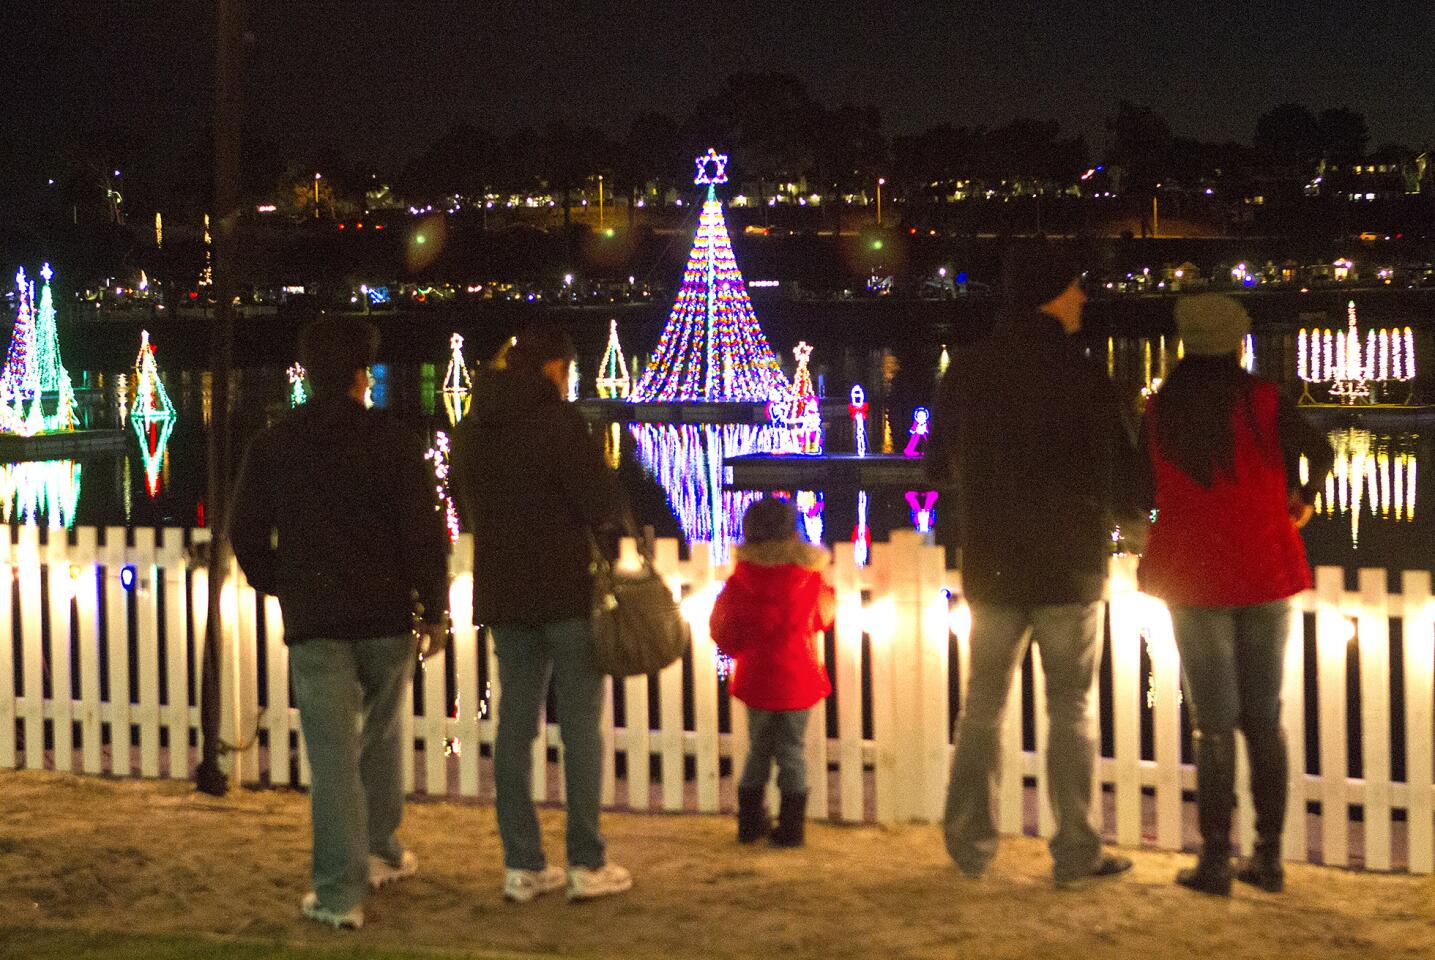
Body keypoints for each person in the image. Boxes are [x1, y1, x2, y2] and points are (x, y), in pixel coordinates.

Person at [925, 240, 1136, 887]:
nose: (1082, 298)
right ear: (1050, 292)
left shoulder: (968, 368)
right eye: (1075, 286)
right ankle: (1075, 851)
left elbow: (936, 466)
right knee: (1069, 711)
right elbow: (1126, 473)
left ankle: (968, 846)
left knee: (980, 708)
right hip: (1069, 568)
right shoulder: (1083, 373)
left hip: (992, 563)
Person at [229, 315, 450, 930]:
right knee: (377, 741)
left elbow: (245, 531)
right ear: (362, 376)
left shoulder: (274, 443)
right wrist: (432, 606)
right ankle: (380, 850)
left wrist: (280, 580)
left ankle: (338, 893)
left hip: (317, 618)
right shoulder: (396, 441)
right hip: (385, 617)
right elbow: (423, 533)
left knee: (332, 762)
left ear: (305, 374)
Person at [1136, 294, 1334, 896]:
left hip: (1193, 576)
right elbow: (1320, 452)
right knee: (1263, 720)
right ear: (1238, 341)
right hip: (1264, 568)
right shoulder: (1264, 401)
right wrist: (1301, 496)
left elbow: (1143, 485)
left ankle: (1216, 862)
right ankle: (1268, 860)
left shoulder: (1160, 410)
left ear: (1186, 344)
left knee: (1213, 726)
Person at [450, 324, 632, 903]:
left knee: (514, 727)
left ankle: (522, 863)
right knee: (580, 728)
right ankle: (585, 859)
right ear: (555, 368)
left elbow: (462, 497)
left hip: (504, 590)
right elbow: (597, 501)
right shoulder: (560, 424)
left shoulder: (473, 429)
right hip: (564, 591)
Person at [710, 497, 835, 847]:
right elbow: (824, 617)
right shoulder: (809, 578)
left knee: (758, 749)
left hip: (757, 680)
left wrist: (740, 648)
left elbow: (722, 628)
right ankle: (791, 829)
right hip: (797, 679)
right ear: (793, 533)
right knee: (792, 752)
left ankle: (750, 823)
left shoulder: (740, 580)